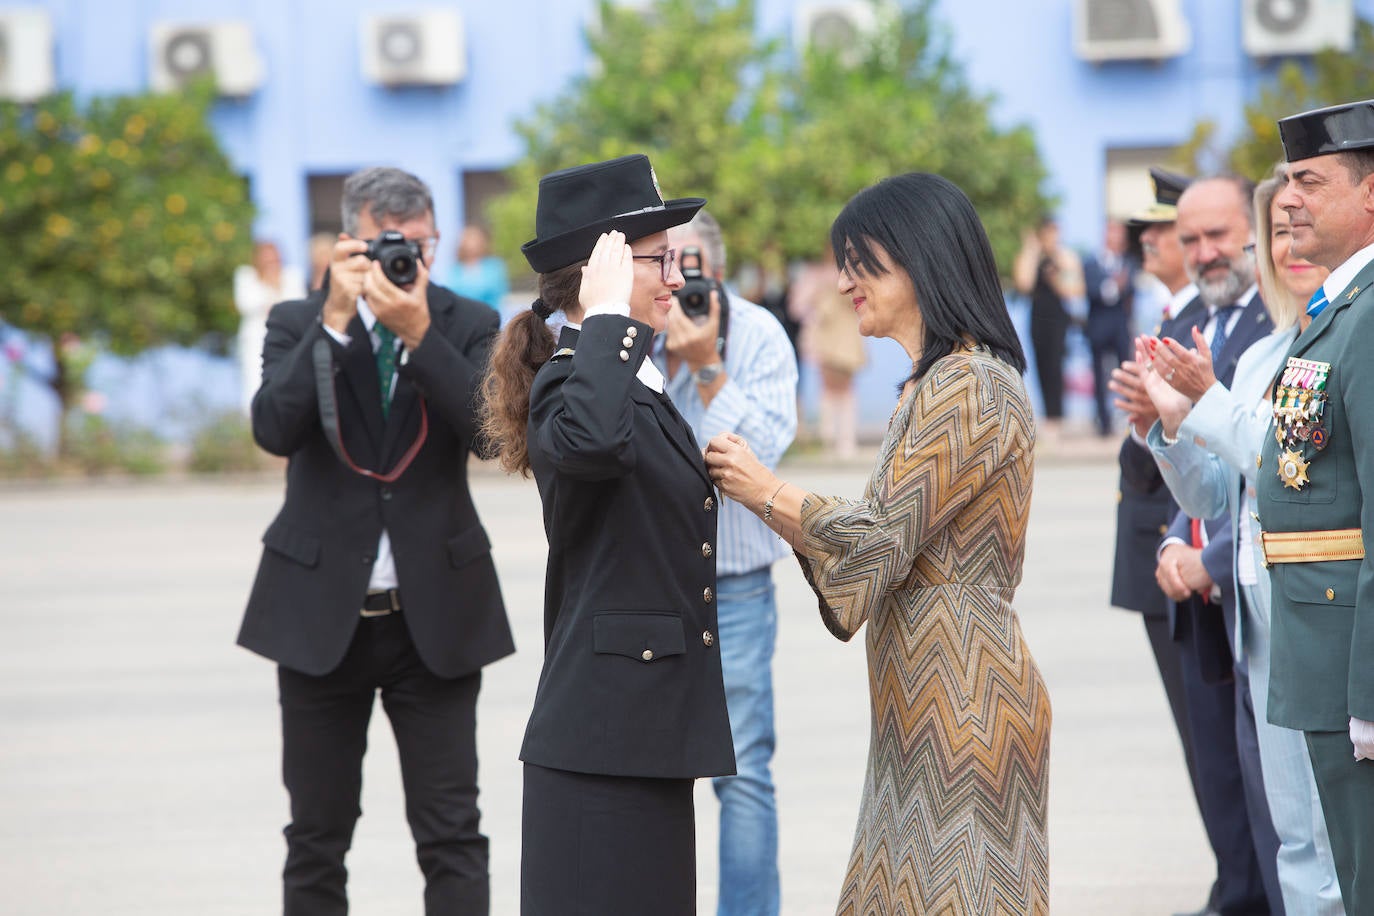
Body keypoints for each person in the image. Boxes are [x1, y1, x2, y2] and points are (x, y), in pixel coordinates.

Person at [706, 172, 1050, 914]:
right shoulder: (936, 382)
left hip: (966, 695)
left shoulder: (970, 386)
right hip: (924, 690)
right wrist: (763, 495)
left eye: (860, 263)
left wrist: (764, 488)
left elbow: (874, 537)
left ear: (919, 261)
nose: (842, 281)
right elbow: (874, 541)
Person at [238, 166, 514, 915]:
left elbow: (490, 434)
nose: (408, 263)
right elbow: (273, 428)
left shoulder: (466, 321)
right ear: (347, 243)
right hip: (320, 615)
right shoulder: (299, 323)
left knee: (453, 832)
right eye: (389, 246)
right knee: (317, 836)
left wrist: (419, 336)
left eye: (420, 246)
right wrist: (335, 321)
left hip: (436, 618)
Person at [480, 153, 735, 915]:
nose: (675, 279)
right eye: (658, 260)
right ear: (606, 273)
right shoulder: (572, 379)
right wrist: (611, 321)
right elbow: (592, 443)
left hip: (643, 732)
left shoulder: (626, 379)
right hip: (601, 745)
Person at [1141, 166, 1344, 915]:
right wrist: (1170, 424)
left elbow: (1291, 464)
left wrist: (1208, 401)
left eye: (1298, 232)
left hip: (1324, 616)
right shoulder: (1265, 356)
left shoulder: (1335, 339)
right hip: (1258, 625)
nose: (1287, 249)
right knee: (1296, 840)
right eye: (1276, 236)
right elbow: (1215, 494)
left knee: (1336, 843)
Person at [1254, 98, 1374, 912]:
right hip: (1321, 645)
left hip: (1351, 660)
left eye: (1309, 180)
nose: (1287, 198)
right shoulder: (1338, 313)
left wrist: (1369, 694)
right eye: (1287, 180)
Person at [660, 209, 798, 916]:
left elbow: (763, 454)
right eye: (664, 264)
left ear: (716, 267)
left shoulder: (758, 333)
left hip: (736, 587)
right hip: (648, 585)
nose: (676, 282)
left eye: (689, 267)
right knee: (648, 775)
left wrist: (709, 367)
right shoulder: (634, 334)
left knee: (741, 773)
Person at [790, 244, 866, 459]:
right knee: (830, 388)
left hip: (846, 337)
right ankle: (830, 438)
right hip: (826, 339)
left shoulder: (853, 275)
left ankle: (844, 439)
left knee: (845, 388)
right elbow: (798, 307)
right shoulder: (815, 276)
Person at [1013, 215, 1084, 439]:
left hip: (1058, 319)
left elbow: (1075, 290)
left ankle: (1058, 415)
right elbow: (1023, 283)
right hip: (1037, 318)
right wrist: (1032, 250)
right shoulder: (1034, 257)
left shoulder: (1066, 257)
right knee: (1041, 366)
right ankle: (1048, 416)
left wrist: (1057, 277)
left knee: (1056, 366)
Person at [233, 239, 305, 415]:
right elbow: (246, 303)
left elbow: (297, 303)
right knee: (254, 382)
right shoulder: (246, 276)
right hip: (255, 341)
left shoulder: (292, 276)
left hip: (287, 340)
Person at [1082, 219, 1138, 436]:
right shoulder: (1091, 263)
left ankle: (1130, 418)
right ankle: (1103, 423)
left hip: (1120, 327)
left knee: (1126, 372)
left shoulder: (1129, 262)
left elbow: (1131, 289)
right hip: (1098, 327)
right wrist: (1115, 286)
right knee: (1098, 374)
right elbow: (1093, 291)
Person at [443, 225, 509, 312]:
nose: (472, 245)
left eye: (475, 240)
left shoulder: (494, 266)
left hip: (489, 315)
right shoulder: (455, 270)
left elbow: (498, 292)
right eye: (469, 240)